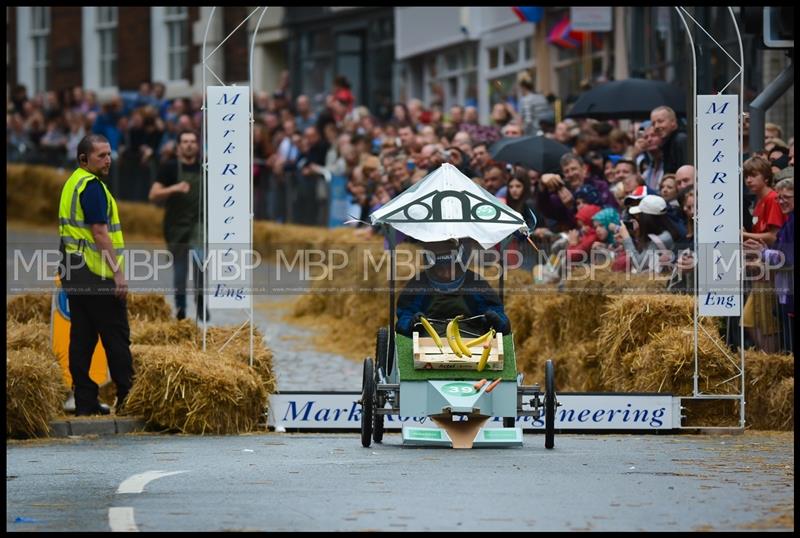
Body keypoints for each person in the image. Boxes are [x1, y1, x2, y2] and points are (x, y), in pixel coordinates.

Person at [57, 134, 134, 416]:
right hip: (96, 273)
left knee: (82, 337)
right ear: (84, 159)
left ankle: (86, 401)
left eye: (109, 154)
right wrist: (118, 273)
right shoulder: (92, 187)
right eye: (101, 155)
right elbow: (100, 233)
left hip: (73, 270)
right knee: (116, 337)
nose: (108, 160)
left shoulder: (72, 183)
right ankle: (128, 398)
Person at [395, 240, 511, 338]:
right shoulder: (419, 285)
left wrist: (497, 320)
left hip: (472, 343)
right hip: (428, 341)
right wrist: (411, 323)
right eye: (440, 269)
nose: (446, 274)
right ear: (431, 267)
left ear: (459, 263)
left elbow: (498, 314)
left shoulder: (475, 283)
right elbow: (404, 316)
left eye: (451, 268)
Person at [148, 129, 206, 321]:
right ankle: (181, 308)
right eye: (185, 141)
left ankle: (200, 301)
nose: (189, 144)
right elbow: (153, 195)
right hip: (176, 226)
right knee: (180, 271)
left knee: (200, 263)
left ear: (197, 146)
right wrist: (174, 188)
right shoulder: (170, 168)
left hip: (199, 224)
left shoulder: (204, 168)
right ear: (179, 147)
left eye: (192, 141)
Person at [744, 177, 793, 353]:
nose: (780, 201)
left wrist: (762, 252)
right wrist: (762, 252)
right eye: (779, 197)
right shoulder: (789, 221)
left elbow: (787, 258)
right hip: (784, 291)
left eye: (786, 197)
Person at [614, 194, 680, 273]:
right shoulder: (663, 233)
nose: (637, 217)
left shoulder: (662, 239)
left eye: (639, 215)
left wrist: (626, 238)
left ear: (647, 218)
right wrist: (637, 235)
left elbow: (639, 263)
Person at [650, 105, 688, 174]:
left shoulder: (680, 140)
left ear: (673, 122)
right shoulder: (667, 143)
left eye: (660, 121)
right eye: (653, 124)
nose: (656, 126)